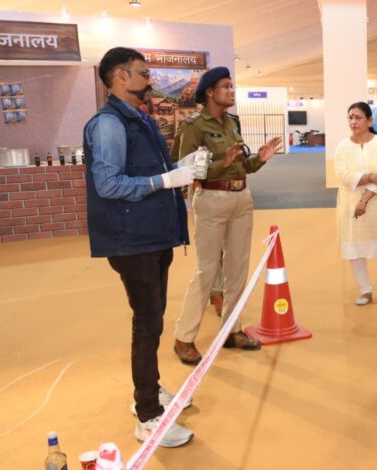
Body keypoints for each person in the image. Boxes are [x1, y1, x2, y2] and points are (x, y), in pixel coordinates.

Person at [84, 47, 196, 447]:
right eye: (143, 73)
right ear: (120, 77)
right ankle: (148, 413)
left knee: (153, 320)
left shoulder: (139, 119)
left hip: (154, 235)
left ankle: (150, 387)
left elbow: (149, 172)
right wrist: (165, 181)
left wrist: (180, 170)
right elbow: (108, 184)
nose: (150, 80)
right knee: (147, 324)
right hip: (132, 240)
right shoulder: (109, 124)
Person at [173, 67, 283, 365]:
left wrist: (258, 159)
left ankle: (232, 330)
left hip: (241, 199)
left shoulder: (233, 122)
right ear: (210, 92)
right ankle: (184, 337)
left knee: (238, 270)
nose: (231, 91)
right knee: (207, 271)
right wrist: (222, 163)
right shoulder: (194, 126)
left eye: (232, 86)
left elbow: (242, 166)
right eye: (225, 86)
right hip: (211, 199)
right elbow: (187, 170)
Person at [334, 102, 377, 305]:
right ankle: (365, 290)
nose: (353, 122)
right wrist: (370, 177)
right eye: (351, 117)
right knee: (355, 245)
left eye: (358, 117)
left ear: (369, 120)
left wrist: (364, 199)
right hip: (350, 201)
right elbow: (343, 175)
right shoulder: (342, 147)